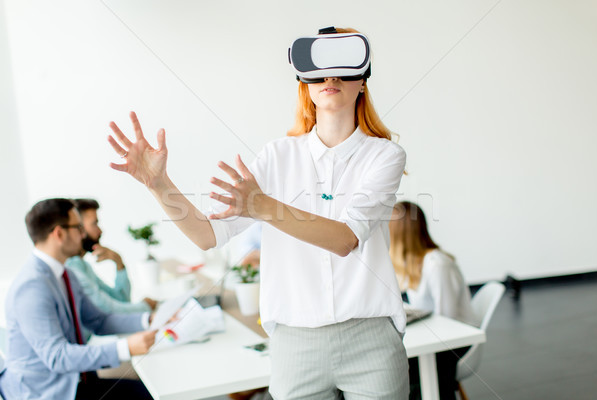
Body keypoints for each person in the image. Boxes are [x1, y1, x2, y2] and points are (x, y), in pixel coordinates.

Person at [108, 27, 408, 399]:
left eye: (344, 68)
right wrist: (159, 185)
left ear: (363, 81)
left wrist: (263, 205)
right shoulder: (276, 157)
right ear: (305, 82)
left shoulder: (384, 156)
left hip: (371, 340)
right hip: (295, 346)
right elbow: (207, 235)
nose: (330, 78)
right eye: (320, 69)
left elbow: (345, 238)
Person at [0, 198, 157, 400]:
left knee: (146, 392)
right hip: (46, 393)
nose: (83, 234)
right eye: (78, 228)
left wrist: (148, 319)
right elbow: (57, 356)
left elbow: (99, 320)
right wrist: (124, 348)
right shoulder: (31, 287)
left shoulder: (66, 274)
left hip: (74, 380)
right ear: (59, 233)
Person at [389, 201, 477, 400]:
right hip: (436, 334)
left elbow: (448, 319)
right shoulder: (410, 263)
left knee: (403, 372)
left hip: (456, 340)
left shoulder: (437, 265)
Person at [65, 198, 157, 322]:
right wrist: (145, 307)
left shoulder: (83, 265)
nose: (100, 231)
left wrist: (118, 262)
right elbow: (106, 309)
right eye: (94, 223)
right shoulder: (72, 268)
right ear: (79, 228)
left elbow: (121, 300)